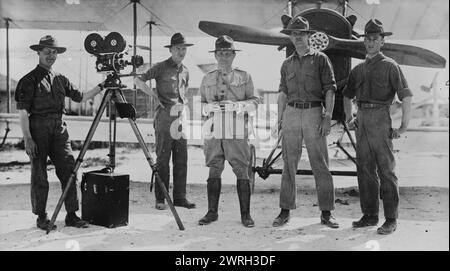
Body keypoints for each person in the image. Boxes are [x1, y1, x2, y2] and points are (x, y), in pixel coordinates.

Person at [15, 35, 105, 230]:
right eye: (47, 52)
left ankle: (72, 215)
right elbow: (23, 112)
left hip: (59, 129)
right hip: (37, 128)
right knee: (39, 174)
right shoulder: (28, 80)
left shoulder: (61, 79)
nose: (51, 55)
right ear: (38, 52)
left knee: (70, 170)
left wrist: (102, 87)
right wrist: (28, 139)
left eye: (54, 52)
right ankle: (41, 216)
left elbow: (80, 98)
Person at [343, 19, 412, 235]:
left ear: (382, 41)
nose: (371, 43)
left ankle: (391, 219)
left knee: (386, 171)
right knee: (364, 170)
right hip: (362, 119)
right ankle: (370, 215)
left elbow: (406, 96)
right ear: (364, 42)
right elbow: (346, 95)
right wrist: (349, 118)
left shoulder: (391, 66)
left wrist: (403, 127)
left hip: (381, 119)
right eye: (368, 39)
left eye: (375, 39)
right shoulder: (359, 69)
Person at [274, 16, 339, 229]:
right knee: (288, 163)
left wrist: (327, 117)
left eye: (301, 34)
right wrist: (280, 119)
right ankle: (285, 211)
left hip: (313, 113)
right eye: (294, 34)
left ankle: (327, 212)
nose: (298, 38)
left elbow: (330, 89)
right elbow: (283, 92)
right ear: (290, 38)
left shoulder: (321, 59)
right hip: (291, 113)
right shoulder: (286, 64)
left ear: (309, 36)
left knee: (320, 163)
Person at [198, 35, 259, 227]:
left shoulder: (245, 76)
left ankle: (245, 215)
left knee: (242, 170)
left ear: (233, 55)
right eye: (220, 53)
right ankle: (212, 212)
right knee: (214, 169)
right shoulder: (207, 78)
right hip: (214, 131)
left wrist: (238, 106)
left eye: (227, 53)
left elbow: (255, 102)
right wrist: (207, 108)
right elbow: (200, 103)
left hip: (236, 130)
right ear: (215, 55)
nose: (224, 57)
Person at [134, 33, 195, 210]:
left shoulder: (186, 70)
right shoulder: (160, 67)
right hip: (164, 118)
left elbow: (184, 93)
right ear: (170, 50)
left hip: (180, 119)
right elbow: (138, 80)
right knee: (163, 159)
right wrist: (153, 95)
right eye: (178, 49)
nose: (181, 52)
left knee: (181, 159)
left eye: (184, 49)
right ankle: (161, 198)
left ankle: (180, 197)